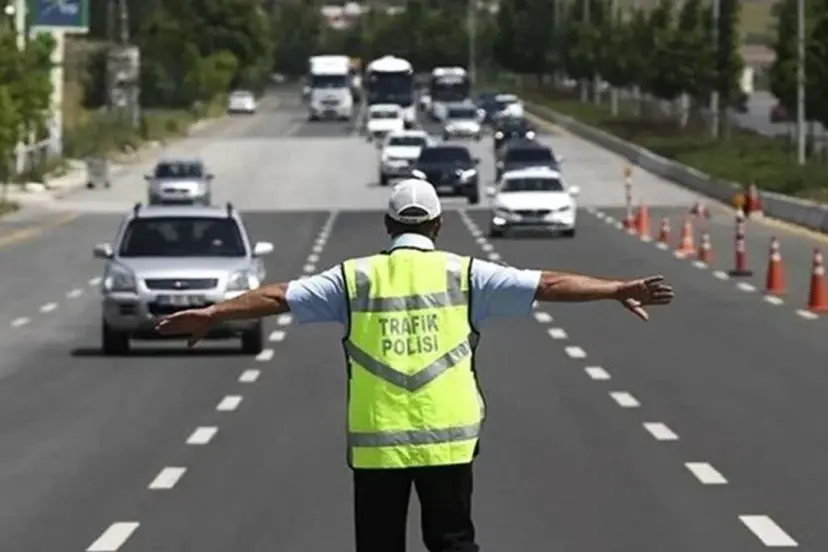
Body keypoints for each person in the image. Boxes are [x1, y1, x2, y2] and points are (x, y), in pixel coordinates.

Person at [155, 178, 675, 552]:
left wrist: (214, 313)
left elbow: (276, 296)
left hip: (378, 443)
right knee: (453, 541)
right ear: (439, 225)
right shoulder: (466, 273)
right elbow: (549, 284)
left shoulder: (353, 279)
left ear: (386, 225)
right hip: (448, 439)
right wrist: (616, 289)